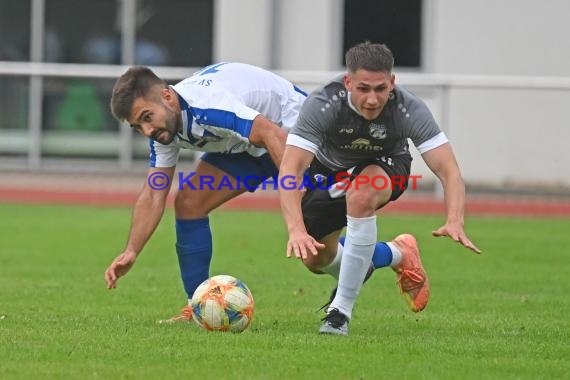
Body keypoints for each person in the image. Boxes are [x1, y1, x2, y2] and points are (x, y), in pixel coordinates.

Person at [279, 42, 481, 336]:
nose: (372, 99)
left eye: (380, 88)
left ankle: (340, 313)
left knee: (361, 195)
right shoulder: (323, 103)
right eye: (363, 88)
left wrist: (455, 219)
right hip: (329, 170)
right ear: (348, 82)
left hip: (386, 164)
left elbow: (448, 170)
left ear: (392, 83)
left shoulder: (407, 108)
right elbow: (290, 169)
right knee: (316, 257)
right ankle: (396, 253)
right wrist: (296, 229)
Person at [104, 62, 307, 322]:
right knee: (189, 203)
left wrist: (298, 204)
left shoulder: (209, 106)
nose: (147, 131)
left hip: (294, 133)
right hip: (249, 144)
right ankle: (198, 306)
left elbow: (271, 134)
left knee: (315, 234)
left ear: (167, 96)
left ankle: (368, 255)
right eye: (137, 127)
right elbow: (155, 192)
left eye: (146, 117)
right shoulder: (163, 128)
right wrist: (132, 250)